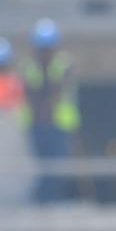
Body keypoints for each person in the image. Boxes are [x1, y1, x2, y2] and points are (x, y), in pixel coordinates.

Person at [20, 19, 81, 202]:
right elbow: (30, 92)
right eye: (41, 49)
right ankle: (42, 200)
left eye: (48, 49)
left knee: (58, 165)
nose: (45, 53)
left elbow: (60, 90)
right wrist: (41, 109)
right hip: (37, 124)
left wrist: (47, 107)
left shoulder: (64, 65)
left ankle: (52, 200)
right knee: (41, 166)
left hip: (60, 124)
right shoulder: (30, 67)